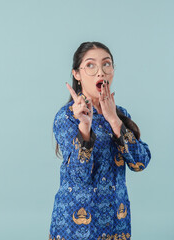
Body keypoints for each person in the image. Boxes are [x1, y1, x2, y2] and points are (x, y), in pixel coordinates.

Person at [49, 41, 152, 240]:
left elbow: (140, 163)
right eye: (90, 65)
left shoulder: (119, 114)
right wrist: (85, 129)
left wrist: (114, 120)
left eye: (106, 64)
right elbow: (79, 177)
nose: (100, 72)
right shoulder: (66, 117)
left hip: (116, 221)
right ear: (77, 74)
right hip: (77, 225)